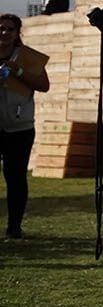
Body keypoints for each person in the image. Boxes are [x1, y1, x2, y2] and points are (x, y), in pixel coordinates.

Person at [0, 13, 52, 238]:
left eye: (9, 29)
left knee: (16, 177)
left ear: (17, 33)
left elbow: (44, 85)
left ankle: (14, 227)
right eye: (1, 28)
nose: (4, 33)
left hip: (19, 128)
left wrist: (17, 71)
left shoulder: (27, 57)